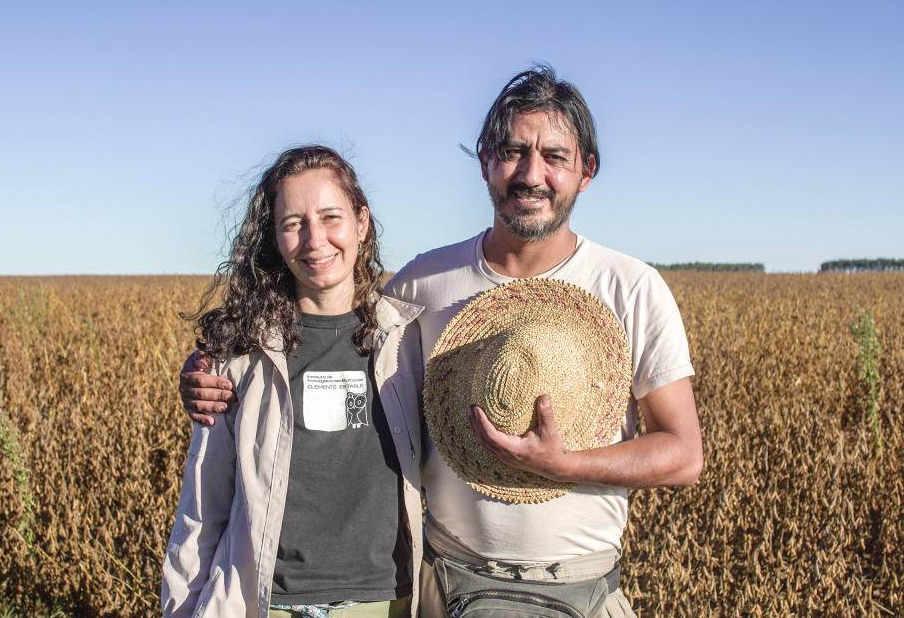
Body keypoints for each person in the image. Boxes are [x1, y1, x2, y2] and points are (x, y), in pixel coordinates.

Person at [180, 66, 703, 617]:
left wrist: (566, 465)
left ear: (587, 171)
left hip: (583, 587)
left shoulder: (632, 288)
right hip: (445, 588)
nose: (531, 174)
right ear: (484, 163)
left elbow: (683, 454)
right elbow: (321, 330)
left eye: (555, 156)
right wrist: (213, 367)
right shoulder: (418, 288)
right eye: (512, 152)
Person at [163, 145, 424, 618]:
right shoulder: (238, 359)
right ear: (275, 239)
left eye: (330, 218)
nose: (315, 240)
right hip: (266, 605)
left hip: (385, 605)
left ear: (361, 223)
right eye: (293, 224)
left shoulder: (409, 343)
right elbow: (201, 511)